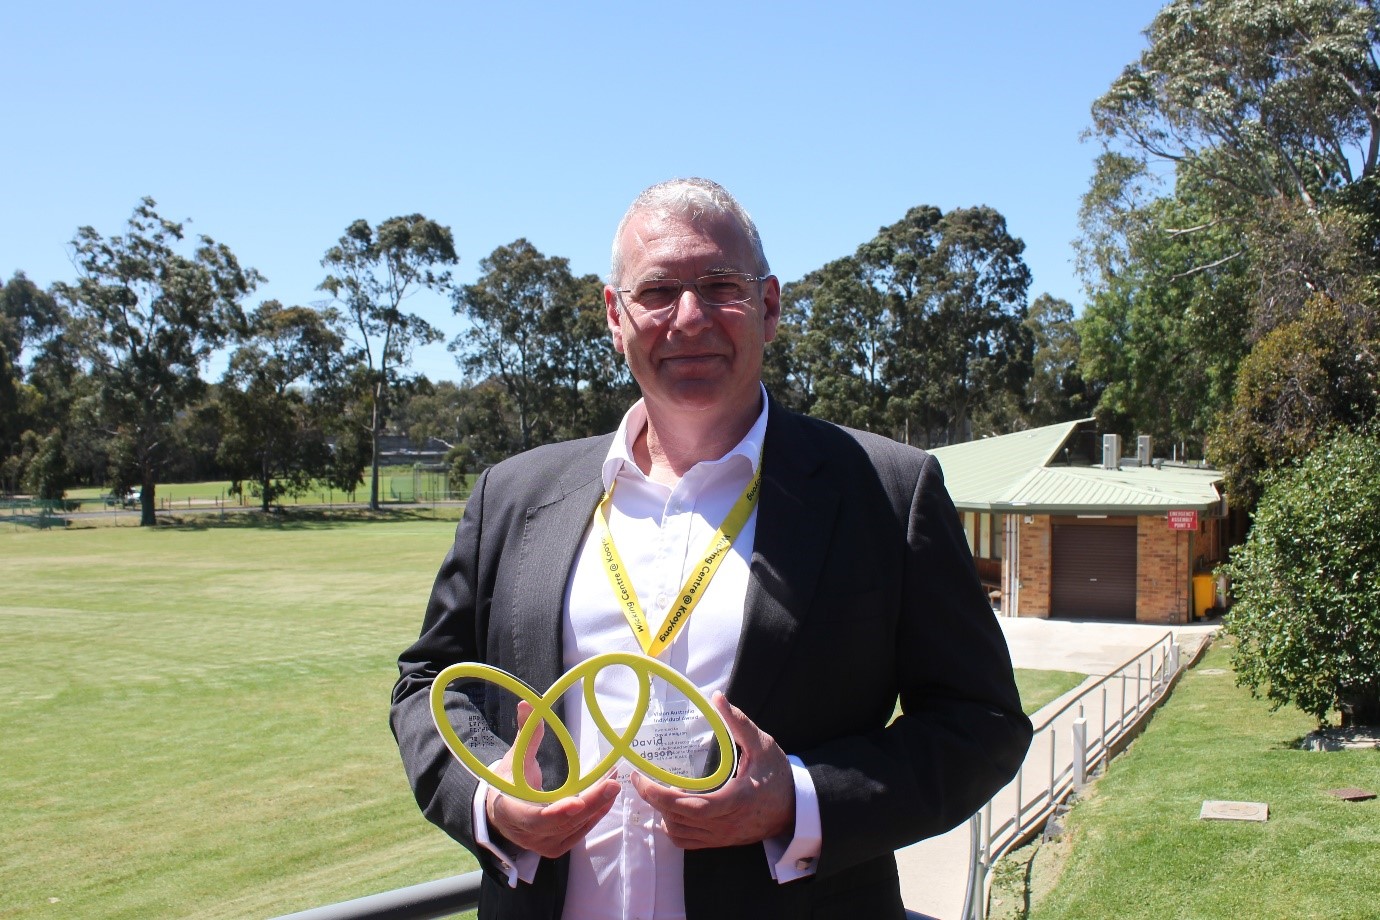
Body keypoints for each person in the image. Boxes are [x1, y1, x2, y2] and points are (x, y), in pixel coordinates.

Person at [390, 178, 1032, 920]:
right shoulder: (514, 493)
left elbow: (981, 725)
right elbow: (429, 681)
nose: (688, 318)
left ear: (768, 306)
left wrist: (797, 799)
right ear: (614, 314)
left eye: (720, 286)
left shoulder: (886, 492)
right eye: (658, 291)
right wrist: (487, 799)